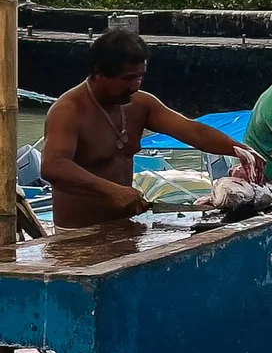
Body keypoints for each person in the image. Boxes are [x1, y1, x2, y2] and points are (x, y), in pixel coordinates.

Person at [41, 30, 260, 231]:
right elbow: (53, 166)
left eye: (140, 76)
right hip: (77, 233)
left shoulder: (141, 104)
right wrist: (114, 191)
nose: (135, 85)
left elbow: (193, 131)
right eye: (127, 78)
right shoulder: (68, 110)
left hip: (124, 225)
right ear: (99, 73)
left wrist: (241, 150)